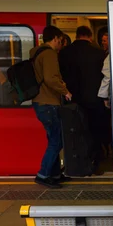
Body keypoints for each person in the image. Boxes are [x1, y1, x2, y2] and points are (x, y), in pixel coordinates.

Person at [58, 25, 106, 173]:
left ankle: (77, 164)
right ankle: (95, 163)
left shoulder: (64, 53)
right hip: (95, 100)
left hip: (72, 100)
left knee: (75, 132)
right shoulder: (99, 53)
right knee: (94, 131)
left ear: (77, 36)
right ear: (90, 36)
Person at [31, 25, 72, 189]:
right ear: (55, 38)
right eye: (60, 40)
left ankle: (54, 174)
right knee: (57, 140)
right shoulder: (49, 54)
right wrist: (66, 91)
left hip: (40, 102)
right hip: (49, 102)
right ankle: (43, 174)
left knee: (53, 139)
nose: (61, 43)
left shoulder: (36, 52)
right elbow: (51, 78)